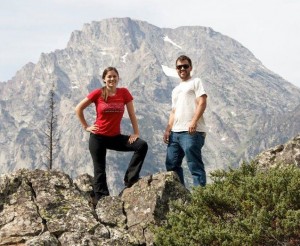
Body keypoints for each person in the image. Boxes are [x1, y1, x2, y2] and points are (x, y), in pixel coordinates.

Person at [75, 67, 148, 202]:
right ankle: (102, 201)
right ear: (104, 79)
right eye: (109, 76)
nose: (112, 79)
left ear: (118, 78)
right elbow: (78, 108)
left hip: (115, 137)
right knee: (100, 171)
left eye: (114, 76)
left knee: (141, 145)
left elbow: (132, 114)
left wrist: (136, 132)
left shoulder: (124, 93)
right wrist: (86, 127)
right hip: (98, 138)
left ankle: (131, 179)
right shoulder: (98, 93)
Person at [163, 55, 207, 187]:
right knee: (171, 164)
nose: (182, 68)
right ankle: (181, 195)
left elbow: (202, 102)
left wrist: (193, 121)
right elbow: (173, 111)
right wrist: (167, 129)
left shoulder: (196, 82)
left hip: (191, 132)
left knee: (194, 164)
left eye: (185, 66)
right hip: (175, 133)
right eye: (179, 67)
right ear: (176, 69)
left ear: (190, 68)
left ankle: (201, 199)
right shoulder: (175, 90)